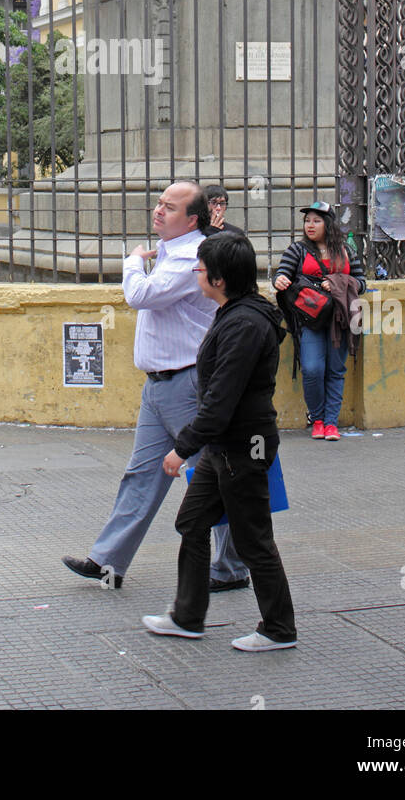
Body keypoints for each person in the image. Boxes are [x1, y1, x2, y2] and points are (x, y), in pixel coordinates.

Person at [63, 180, 249, 590]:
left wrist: (131, 261)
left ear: (193, 219)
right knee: (142, 474)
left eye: (170, 207)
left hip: (187, 383)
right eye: (159, 204)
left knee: (214, 474)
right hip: (159, 385)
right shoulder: (170, 252)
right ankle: (107, 561)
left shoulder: (193, 258)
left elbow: (140, 295)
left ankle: (234, 567)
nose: (159, 211)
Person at [142, 232, 297, 650]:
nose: (196, 271)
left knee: (252, 538)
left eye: (201, 267)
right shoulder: (233, 313)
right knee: (192, 521)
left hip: (245, 447)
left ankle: (279, 628)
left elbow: (220, 400)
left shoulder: (245, 324)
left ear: (219, 278)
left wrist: (181, 448)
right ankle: (188, 616)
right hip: (224, 448)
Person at [273, 200, 366, 441]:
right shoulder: (298, 250)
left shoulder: (346, 250)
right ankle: (317, 419)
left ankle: (332, 424)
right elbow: (282, 272)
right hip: (309, 320)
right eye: (307, 221)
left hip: (340, 319)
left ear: (329, 224)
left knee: (336, 370)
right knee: (313, 369)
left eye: (316, 221)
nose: (310, 225)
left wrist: (337, 282)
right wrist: (280, 279)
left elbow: (361, 282)